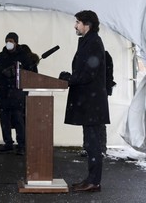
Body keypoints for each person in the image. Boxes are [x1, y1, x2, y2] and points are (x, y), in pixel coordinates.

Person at [59, 10, 110, 192]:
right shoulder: (88, 41)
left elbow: (89, 73)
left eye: (78, 22)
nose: (75, 25)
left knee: (93, 144)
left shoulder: (94, 42)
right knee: (89, 143)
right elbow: (84, 71)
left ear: (87, 24)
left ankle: (94, 182)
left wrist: (69, 79)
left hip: (92, 103)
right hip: (89, 102)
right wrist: (70, 76)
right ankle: (90, 179)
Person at [0, 32, 37, 155]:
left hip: (17, 94)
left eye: (11, 41)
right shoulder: (1, 56)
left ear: (16, 42)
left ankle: (21, 145)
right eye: (7, 41)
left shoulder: (23, 56)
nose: (8, 43)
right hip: (2, 93)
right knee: (4, 120)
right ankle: (8, 143)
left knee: (18, 120)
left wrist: (17, 74)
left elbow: (31, 73)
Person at [79, 50, 116, 157]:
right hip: (91, 91)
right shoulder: (88, 54)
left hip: (99, 91)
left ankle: (100, 148)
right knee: (88, 120)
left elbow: (109, 74)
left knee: (98, 121)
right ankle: (89, 147)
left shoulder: (103, 55)